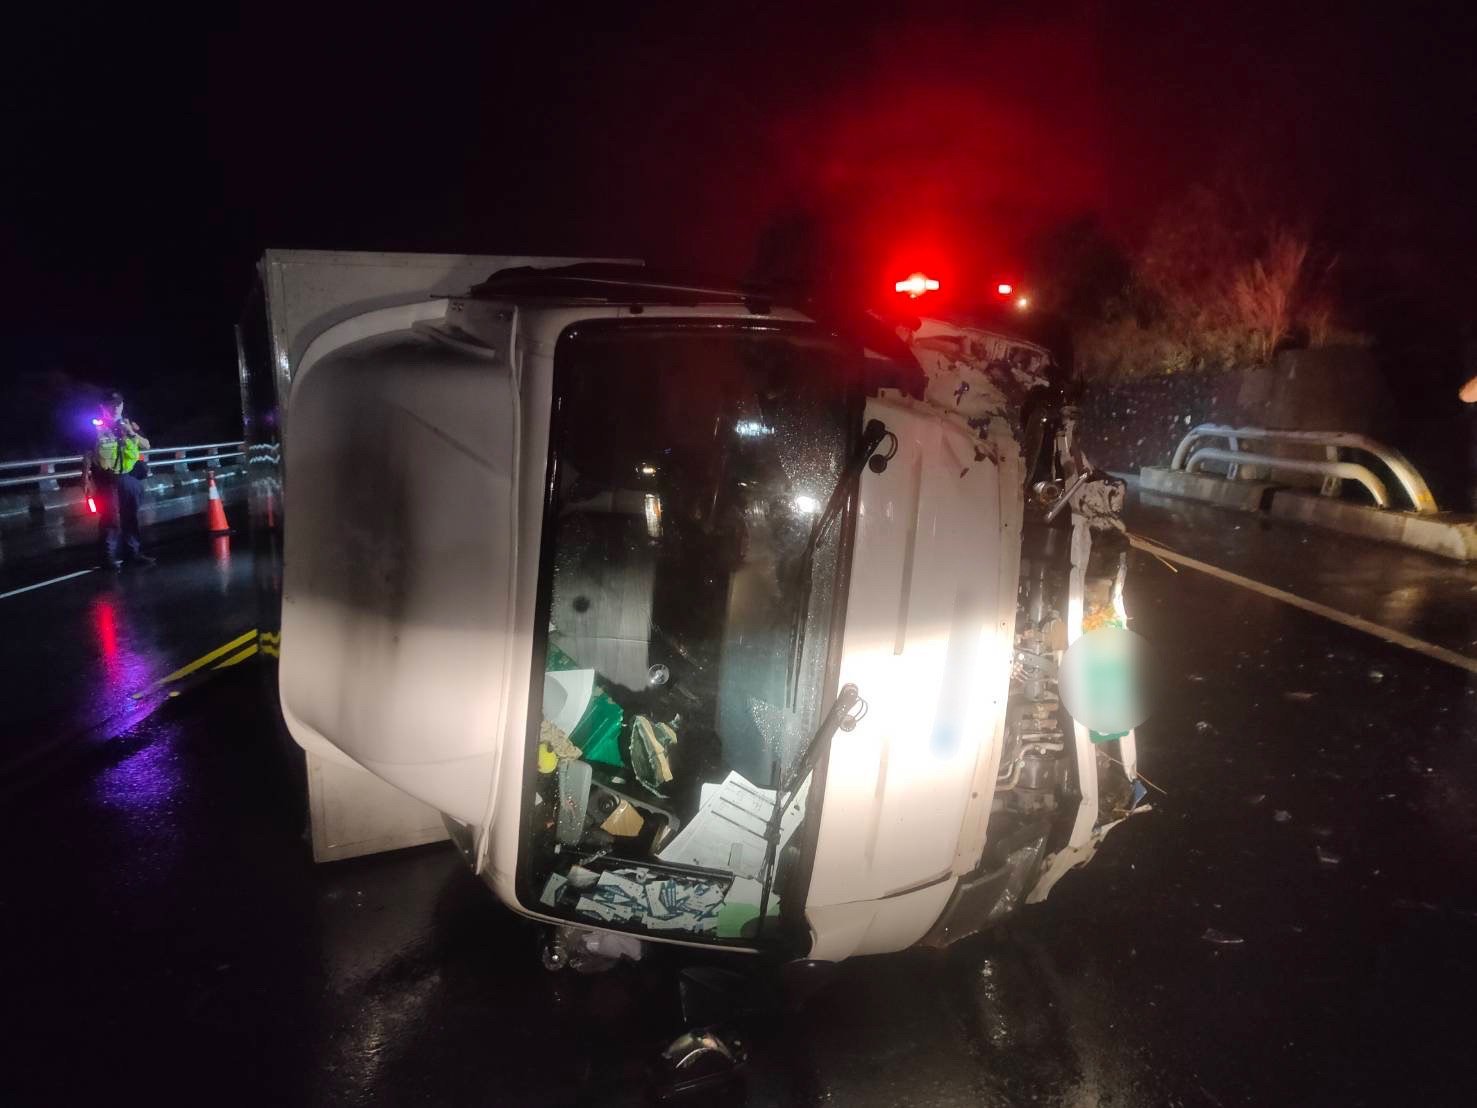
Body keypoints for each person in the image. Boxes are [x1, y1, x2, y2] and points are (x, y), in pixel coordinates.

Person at [82, 391, 155, 570]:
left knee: (131, 516)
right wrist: (85, 479)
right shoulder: (95, 427)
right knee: (111, 519)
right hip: (106, 479)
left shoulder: (129, 424)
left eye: (119, 404)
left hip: (129, 477)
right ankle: (107, 558)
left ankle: (133, 554)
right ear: (103, 407)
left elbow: (146, 445)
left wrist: (130, 432)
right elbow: (87, 455)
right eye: (111, 404)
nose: (116, 408)